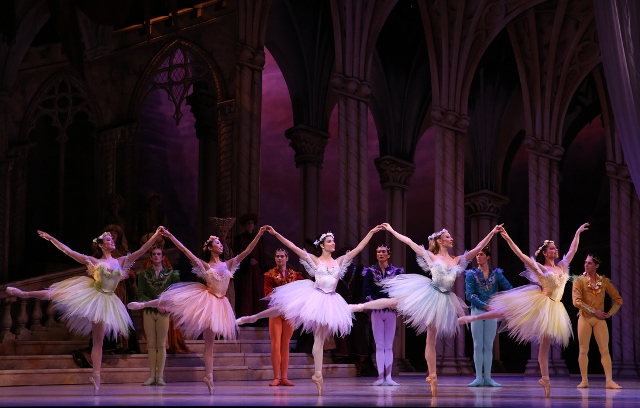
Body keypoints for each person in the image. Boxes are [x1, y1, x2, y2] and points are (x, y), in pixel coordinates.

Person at [6, 226, 164, 395]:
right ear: (102, 245)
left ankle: (96, 376)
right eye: (109, 240)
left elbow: (142, 250)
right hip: (93, 295)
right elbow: (69, 252)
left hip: (108, 300)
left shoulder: (121, 261)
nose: (113, 241)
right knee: (57, 293)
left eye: (113, 240)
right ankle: (25, 293)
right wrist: (51, 238)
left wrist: (155, 235)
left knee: (98, 341)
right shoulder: (94, 261)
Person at [353, 223, 503, 396]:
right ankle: (432, 374)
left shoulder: (456, 259)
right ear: (440, 241)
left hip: (446, 299)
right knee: (404, 310)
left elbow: (478, 248)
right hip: (431, 294)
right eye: (448, 237)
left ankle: (432, 374)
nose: (451, 239)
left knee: (433, 337)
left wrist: (492, 232)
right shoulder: (431, 256)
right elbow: (409, 242)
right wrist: (392, 230)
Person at [236, 225, 384, 395]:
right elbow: (293, 247)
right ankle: (253, 317)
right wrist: (276, 233)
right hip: (314, 295)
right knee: (282, 308)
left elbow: (359, 248)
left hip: (330, 300)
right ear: (322, 245)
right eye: (330, 241)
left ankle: (318, 374)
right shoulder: (314, 259)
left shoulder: (339, 261)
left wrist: (371, 233)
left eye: (333, 241)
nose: (333, 243)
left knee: (320, 339)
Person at [127, 226, 267, 395]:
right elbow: (185, 251)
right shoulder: (205, 265)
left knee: (210, 345)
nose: (220, 245)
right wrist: (170, 235)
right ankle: (143, 305)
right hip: (207, 300)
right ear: (209, 247)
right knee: (173, 299)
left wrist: (259, 233)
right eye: (217, 243)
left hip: (221, 304)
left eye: (220, 243)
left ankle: (208, 376)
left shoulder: (229, 263)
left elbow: (248, 250)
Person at [458, 223, 590, 397]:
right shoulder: (541, 268)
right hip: (542, 301)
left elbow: (572, 250)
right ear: (545, 253)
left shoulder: (563, 266)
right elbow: (520, 255)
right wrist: (507, 238)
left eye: (556, 248)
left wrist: (577, 232)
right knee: (510, 310)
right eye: (552, 248)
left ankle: (545, 379)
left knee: (545, 347)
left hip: (555, 307)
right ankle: (473, 318)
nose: (556, 250)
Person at [571, 254, 623, 389]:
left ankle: (609, 381)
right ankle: (584, 380)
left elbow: (618, 300)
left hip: (600, 320)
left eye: (589, 263)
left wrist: (609, 314)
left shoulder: (604, 282)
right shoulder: (579, 280)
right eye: (585, 262)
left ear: (596, 266)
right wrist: (594, 311)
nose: (586, 265)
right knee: (583, 349)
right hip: (585, 317)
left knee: (605, 350)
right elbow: (576, 301)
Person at [463, 246, 513, 387]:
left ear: (488, 257)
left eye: (481, 254)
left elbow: (508, 288)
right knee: (478, 345)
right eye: (477, 254)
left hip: (492, 311)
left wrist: (503, 302)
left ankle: (489, 378)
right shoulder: (471, 274)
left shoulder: (496, 274)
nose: (478, 257)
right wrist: (484, 305)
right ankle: (479, 377)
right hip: (478, 310)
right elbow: (469, 294)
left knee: (489, 345)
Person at [136, 246, 181, 386]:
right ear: (150, 257)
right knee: (151, 344)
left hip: (164, 311)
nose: (156, 256)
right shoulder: (143, 274)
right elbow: (141, 294)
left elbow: (175, 292)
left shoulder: (171, 274)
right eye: (154, 254)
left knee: (161, 344)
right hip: (150, 311)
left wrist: (167, 306)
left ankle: (160, 376)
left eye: (159, 254)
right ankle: (151, 376)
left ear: (163, 257)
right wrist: (153, 305)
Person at [362, 244, 404, 386]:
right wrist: (377, 303)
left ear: (388, 254)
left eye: (383, 252)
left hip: (391, 310)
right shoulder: (370, 271)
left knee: (388, 345)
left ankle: (389, 376)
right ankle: (380, 377)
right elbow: (367, 291)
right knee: (380, 345)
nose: (381, 254)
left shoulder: (396, 272)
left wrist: (394, 302)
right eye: (378, 251)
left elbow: (399, 290)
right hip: (377, 310)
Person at [262, 248, 304, 386]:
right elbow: (268, 294)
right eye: (277, 256)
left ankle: (284, 377)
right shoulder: (269, 274)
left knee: (285, 344)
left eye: (282, 256)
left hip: (289, 312)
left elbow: (303, 288)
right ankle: (276, 377)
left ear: (287, 258)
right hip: (275, 312)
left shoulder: (295, 274)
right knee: (275, 344)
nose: (279, 258)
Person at [233, 213, 267, 318]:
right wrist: (248, 261)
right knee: (246, 291)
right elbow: (237, 254)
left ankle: (258, 316)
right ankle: (245, 314)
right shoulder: (239, 238)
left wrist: (261, 266)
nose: (250, 225)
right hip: (245, 270)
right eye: (248, 223)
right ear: (245, 225)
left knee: (257, 290)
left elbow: (262, 254)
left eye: (252, 223)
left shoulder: (259, 238)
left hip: (256, 269)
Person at [209, 216, 237, 312]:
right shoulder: (214, 246)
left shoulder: (227, 246)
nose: (223, 233)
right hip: (218, 277)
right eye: (221, 231)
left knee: (229, 298)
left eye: (224, 231)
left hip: (227, 276)